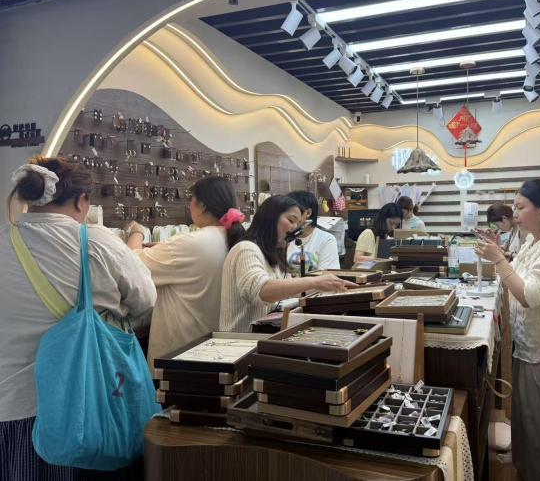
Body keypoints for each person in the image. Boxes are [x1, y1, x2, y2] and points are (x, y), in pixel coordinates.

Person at [0, 157, 156, 480]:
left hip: (10, 410)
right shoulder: (94, 241)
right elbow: (145, 299)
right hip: (81, 411)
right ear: (81, 201)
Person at [475, 179, 540, 481]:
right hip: (527, 348)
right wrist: (500, 253)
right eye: (514, 207)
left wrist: (499, 259)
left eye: (520, 207)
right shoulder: (533, 241)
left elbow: (529, 295)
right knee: (526, 425)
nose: (514, 214)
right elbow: (518, 275)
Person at [125, 176, 245, 367]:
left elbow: (131, 264)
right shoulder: (231, 238)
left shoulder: (190, 242)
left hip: (180, 355)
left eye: (191, 200)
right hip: (215, 350)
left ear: (202, 205)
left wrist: (136, 232)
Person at [220, 195, 355, 332]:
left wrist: (328, 286)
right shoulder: (246, 249)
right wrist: (314, 282)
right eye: (291, 220)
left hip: (263, 335)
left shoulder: (272, 255)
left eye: (298, 223)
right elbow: (263, 291)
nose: (295, 227)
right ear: (270, 218)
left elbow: (291, 293)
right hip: (242, 339)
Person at [286, 190, 340, 275]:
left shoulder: (326, 239)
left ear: (308, 213)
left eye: (292, 216)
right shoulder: (282, 238)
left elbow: (327, 277)